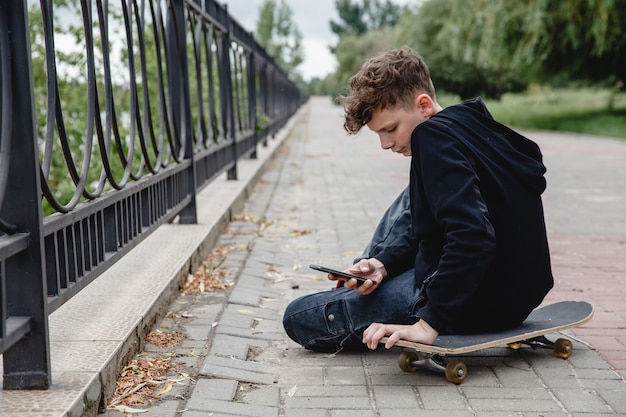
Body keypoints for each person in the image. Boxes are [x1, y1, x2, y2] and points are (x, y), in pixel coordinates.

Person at [282, 46, 554, 353]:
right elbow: (443, 219)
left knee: (299, 316)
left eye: (391, 129)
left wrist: (429, 324)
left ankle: (366, 282)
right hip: (517, 296)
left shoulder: (431, 138)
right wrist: (384, 263)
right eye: (379, 135)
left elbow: (473, 236)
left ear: (423, 104)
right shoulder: (470, 123)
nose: (386, 144)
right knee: (416, 194)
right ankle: (373, 268)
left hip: (470, 304)